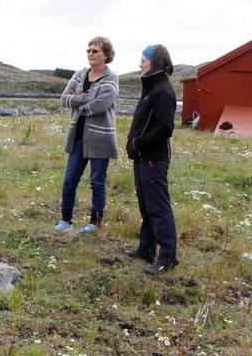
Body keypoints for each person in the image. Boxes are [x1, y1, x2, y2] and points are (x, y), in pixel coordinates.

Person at [55, 36, 120, 234]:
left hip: (101, 139)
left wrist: (79, 102)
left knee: (97, 181)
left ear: (106, 55)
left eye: (95, 51)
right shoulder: (79, 74)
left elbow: (102, 105)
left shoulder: (111, 77)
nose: (90, 54)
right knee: (69, 180)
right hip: (78, 136)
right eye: (88, 50)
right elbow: (64, 99)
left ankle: (95, 222)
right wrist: (86, 98)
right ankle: (65, 220)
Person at [125, 44, 179, 275]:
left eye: (143, 61)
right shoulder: (151, 87)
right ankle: (146, 248)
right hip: (142, 156)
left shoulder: (163, 91)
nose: (140, 64)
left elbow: (165, 128)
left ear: (155, 63)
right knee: (146, 205)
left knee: (158, 207)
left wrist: (139, 143)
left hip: (153, 158)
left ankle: (167, 257)